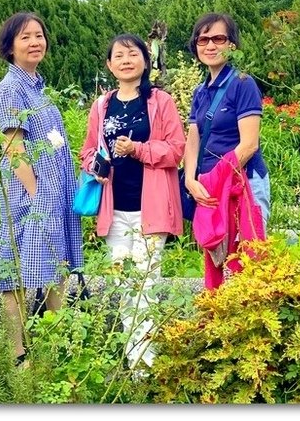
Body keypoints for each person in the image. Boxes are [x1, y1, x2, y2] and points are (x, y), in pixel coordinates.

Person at [79, 33, 186, 370]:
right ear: (110, 65)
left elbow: (177, 150)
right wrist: (94, 167)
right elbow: (87, 151)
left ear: (145, 60)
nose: (126, 60)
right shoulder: (101, 105)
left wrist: (137, 149)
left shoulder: (160, 101)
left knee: (146, 285)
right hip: (115, 210)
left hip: (150, 209)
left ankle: (145, 367)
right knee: (125, 286)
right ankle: (134, 362)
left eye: (133, 54)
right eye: (119, 56)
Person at [0, 11, 83, 366]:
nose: (35, 42)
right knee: (17, 271)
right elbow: (14, 149)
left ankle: (52, 348)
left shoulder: (37, 86)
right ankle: (19, 355)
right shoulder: (10, 88)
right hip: (30, 196)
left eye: (39, 35)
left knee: (55, 267)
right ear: (10, 46)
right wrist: (36, 195)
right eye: (26, 37)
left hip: (54, 193)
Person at [183, 13, 271, 232]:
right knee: (217, 257)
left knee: (248, 257)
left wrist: (215, 178)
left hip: (243, 182)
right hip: (208, 187)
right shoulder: (199, 92)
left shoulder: (243, 83)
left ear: (232, 44)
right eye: (203, 40)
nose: (210, 45)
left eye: (218, 39)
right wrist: (190, 180)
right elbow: (193, 141)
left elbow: (249, 145)